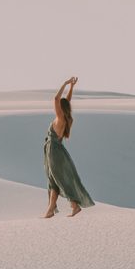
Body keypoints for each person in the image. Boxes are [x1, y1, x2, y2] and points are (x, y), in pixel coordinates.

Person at [43, 76, 95, 218]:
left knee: (59, 180)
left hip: (54, 151)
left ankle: (74, 205)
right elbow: (66, 101)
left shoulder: (60, 118)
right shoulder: (65, 117)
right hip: (55, 151)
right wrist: (71, 88)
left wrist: (65, 83)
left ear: (61, 107)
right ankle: (50, 209)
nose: (57, 105)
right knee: (53, 180)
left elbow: (55, 99)